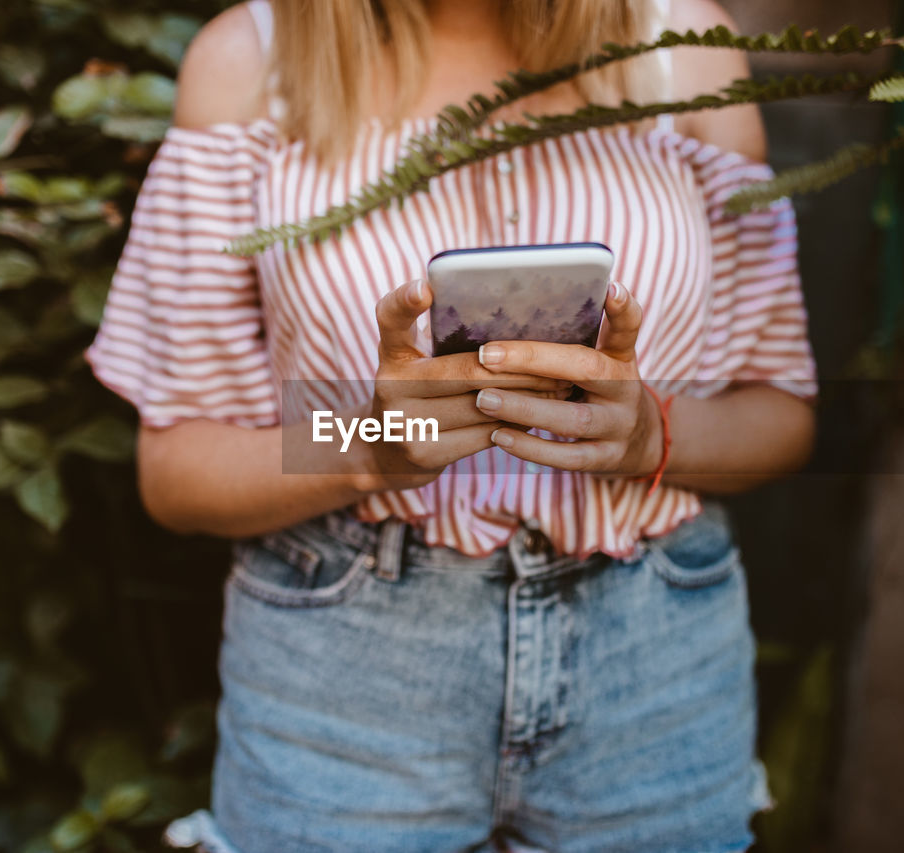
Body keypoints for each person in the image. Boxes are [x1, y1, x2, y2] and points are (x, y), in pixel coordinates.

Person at [84, 0, 818, 850]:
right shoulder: (250, 64)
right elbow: (178, 466)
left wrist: (653, 436)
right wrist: (364, 445)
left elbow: (779, 415)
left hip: (654, 661)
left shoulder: (688, 54)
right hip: (346, 672)